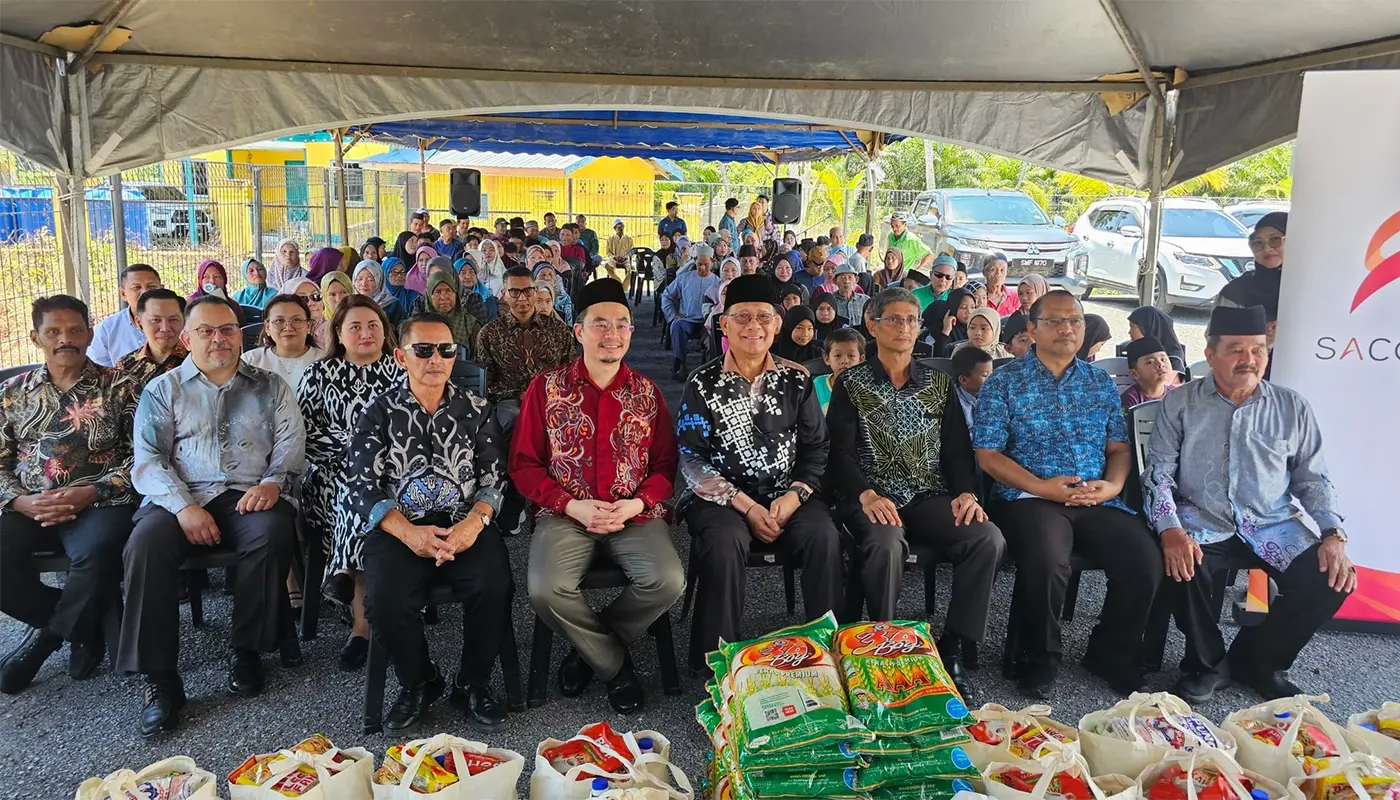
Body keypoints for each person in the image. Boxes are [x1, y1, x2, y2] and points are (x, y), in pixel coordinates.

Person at [1143, 304, 1354, 702]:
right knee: (1180, 565)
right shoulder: (1182, 403)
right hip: (1201, 518)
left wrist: (1333, 533)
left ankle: (1258, 661)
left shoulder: (1292, 407)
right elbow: (1158, 473)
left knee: (1331, 578)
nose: (1249, 359)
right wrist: (1169, 528)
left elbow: (1313, 478)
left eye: (1258, 349)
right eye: (1236, 349)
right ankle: (1206, 665)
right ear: (1210, 355)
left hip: (1273, 524)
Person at [123, 295, 303, 735]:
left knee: (273, 528)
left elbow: (291, 443)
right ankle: (160, 679)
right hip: (179, 498)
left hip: (248, 493)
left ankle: (247, 648)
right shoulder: (163, 390)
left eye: (227, 329)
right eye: (206, 331)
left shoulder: (270, 386)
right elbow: (147, 460)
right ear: (187, 338)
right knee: (144, 545)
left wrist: (274, 482)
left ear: (239, 336)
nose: (218, 339)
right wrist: (184, 507)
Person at [973, 290, 1163, 699]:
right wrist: (1041, 486)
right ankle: (1038, 659)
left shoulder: (1099, 382)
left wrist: (1111, 486)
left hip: (1095, 496)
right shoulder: (1005, 381)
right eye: (1055, 321)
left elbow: (1119, 448)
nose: (1066, 328)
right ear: (1032, 329)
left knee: (1144, 558)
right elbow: (987, 453)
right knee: (1047, 560)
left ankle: (1110, 653)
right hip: (1029, 498)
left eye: (1074, 320)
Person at [509, 280, 683, 715]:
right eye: (600, 324)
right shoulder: (546, 389)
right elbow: (524, 465)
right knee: (546, 588)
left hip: (633, 514)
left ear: (631, 332)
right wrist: (570, 505)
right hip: (566, 512)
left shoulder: (646, 392)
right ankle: (614, 666)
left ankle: (589, 650)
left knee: (668, 579)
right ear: (578, 331)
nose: (612, 334)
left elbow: (665, 467)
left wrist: (638, 504)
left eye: (622, 324)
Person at [828, 287, 1004, 698]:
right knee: (886, 544)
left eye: (911, 320)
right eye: (894, 319)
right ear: (872, 325)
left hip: (927, 495)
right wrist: (865, 495)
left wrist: (965, 493)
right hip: (873, 498)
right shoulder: (851, 383)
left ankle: (954, 646)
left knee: (986, 538)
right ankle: (879, 648)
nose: (904, 327)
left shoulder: (938, 383)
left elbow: (958, 450)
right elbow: (839, 453)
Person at [348, 312, 512, 732]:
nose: (435, 358)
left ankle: (472, 683)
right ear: (402, 356)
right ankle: (420, 681)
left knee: (495, 585)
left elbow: (494, 477)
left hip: (464, 521)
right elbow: (362, 484)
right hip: (400, 525)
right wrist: (408, 532)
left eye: (446, 350)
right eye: (423, 350)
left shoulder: (476, 409)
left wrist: (473, 524)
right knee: (383, 601)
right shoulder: (378, 411)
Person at [675, 275, 844, 668]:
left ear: (777, 323)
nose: (754, 326)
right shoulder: (702, 382)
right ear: (724, 323)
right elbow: (691, 458)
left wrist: (795, 495)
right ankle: (717, 666)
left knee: (824, 537)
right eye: (743, 317)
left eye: (764, 317)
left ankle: (830, 655)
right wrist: (747, 507)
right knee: (723, 542)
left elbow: (817, 447)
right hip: (720, 500)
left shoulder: (795, 378)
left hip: (789, 495)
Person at [0, 295, 138, 695]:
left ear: (90, 334)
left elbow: (142, 458)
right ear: (35, 337)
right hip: (30, 504)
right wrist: (19, 501)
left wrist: (89, 491)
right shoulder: (13, 393)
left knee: (96, 554)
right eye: (53, 332)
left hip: (100, 500)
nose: (66, 339)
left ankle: (47, 640)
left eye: (75, 329)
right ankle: (82, 626)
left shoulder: (121, 387)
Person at [298, 296, 403, 672]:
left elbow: (419, 430)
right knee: (353, 489)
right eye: (355, 326)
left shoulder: (403, 371)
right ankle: (369, 621)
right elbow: (304, 435)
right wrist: (358, 450)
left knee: (369, 493)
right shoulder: (318, 375)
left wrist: (376, 456)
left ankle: (355, 607)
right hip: (332, 472)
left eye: (373, 325)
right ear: (338, 334)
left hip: (396, 474)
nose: (365, 333)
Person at [475, 266, 576, 406]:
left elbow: (570, 373)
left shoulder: (558, 329)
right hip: (509, 404)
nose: (522, 298)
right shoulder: (489, 333)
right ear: (504, 294)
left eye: (528, 291)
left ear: (535, 292)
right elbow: (485, 382)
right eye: (514, 292)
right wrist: (517, 395)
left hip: (553, 401)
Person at [242, 293, 325, 392]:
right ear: (267, 327)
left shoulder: (325, 362)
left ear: (308, 326)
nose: (288, 328)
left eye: (296, 320)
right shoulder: (250, 361)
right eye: (279, 321)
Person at [113, 289, 188, 391]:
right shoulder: (126, 365)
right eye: (155, 320)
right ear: (139, 322)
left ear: (183, 320)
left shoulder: (197, 360)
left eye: (173, 319)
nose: (165, 328)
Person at [661, 249, 720, 377]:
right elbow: (666, 296)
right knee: (677, 325)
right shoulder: (684, 278)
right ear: (694, 262)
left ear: (713, 263)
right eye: (699, 264)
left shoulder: (717, 282)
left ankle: (710, 370)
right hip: (688, 320)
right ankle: (680, 362)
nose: (702, 268)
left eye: (706, 264)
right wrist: (673, 314)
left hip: (707, 323)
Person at [90, 264, 163, 366]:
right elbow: (99, 370)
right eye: (136, 287)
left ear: (162, 289)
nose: (145, 292)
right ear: (123, 294)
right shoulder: (106, 330)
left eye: (151, 287)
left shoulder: (181, 322)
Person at [423, 270, 482, 359]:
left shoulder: (471, 325)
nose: (443, 297)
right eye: (438, 292)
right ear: (429, 296)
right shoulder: (420, 326)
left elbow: (478, 361)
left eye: (448, 291)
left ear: (456, 294)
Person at [813, 328, 865, 413]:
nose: (844, 361)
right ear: (827, 359)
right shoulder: (818, 384)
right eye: (837, 356)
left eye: (851, 356)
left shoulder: (868, 387)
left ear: (861, 360)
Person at [1120, 336, 1177, 411]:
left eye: (1163, 359)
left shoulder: (1175, 394)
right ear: (1134, 374)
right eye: (1150, 362)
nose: (1160, 364)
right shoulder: (1129, 399)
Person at [950, 344, 993, 434]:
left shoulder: (993, 396)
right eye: (985, 375)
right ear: (964, 380)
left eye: (991, 374)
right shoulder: (952, 405)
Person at [1000, 274, 1049, 346]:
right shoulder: (1016, 319)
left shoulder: (1054, 316)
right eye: (1020, 294)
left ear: (1040, 291)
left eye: (1028, 293)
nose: (1024, 297)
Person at [352, 259, 405, 325]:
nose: (363, 284)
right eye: (359, 279)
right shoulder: (350, 304)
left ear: (379, 280)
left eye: (370, 280)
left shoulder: (392, 305)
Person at [929, 288, 975, 357]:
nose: (969, 311)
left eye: (973, 307)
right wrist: (946, 332)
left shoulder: (975, 328)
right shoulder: (939, 328)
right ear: (953, 307)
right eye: (963, 307)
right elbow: (939, 358)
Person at [606, 218, 634, 284]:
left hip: (625, 259)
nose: (620, 228)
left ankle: (625, 286)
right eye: (618, 227)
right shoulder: (610, 239)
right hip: (614, 259)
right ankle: (619, 282)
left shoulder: (629, 239)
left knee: (630, 269)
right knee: (607, 266)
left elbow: (632, 251)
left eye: (622, 226)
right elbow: (608, 253)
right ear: (614, 228)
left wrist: (625, 257)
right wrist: (614, 257)